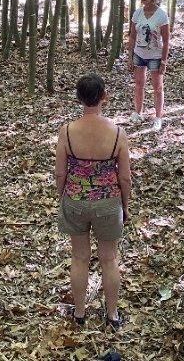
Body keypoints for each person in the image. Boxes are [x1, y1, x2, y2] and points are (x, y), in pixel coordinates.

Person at [55, 74, 132, 330]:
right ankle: (112, 315)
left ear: (78, 98)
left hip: (75, 199)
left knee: (79, 258)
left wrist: (62, 196)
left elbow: (60, 172)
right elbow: (124, 176)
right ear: (104, 97)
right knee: (109, 259)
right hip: (108, 202)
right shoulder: (118, 133)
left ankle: (79, 313)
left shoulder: (67, 131)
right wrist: (126, 204)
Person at [126, 0, 170, 131]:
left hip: (155, 56)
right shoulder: (137, 13)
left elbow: (166, 40)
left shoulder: (161, 15)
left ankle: (158, 118)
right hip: (139, 53)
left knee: (157, 87)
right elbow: (132, 36)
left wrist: (164, 61)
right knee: (139, 84)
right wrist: (130, 56)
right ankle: (138, 113)